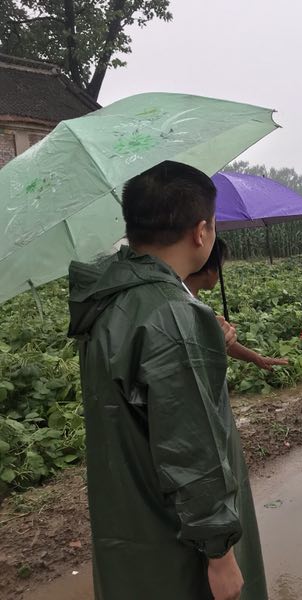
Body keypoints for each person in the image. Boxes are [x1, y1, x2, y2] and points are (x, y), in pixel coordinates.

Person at [67, 161, 267, 600]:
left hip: (130, 525)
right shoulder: (172, 315)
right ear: (201, 231)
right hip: (177, 543)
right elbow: (190, 446)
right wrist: (220, 554)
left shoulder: (110, 302)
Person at [185, 237, 289, 372]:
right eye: (221, 267)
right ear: (210, 270)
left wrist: (256, 358)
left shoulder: (188, 297)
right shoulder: (186, 307)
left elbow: (220, 341)